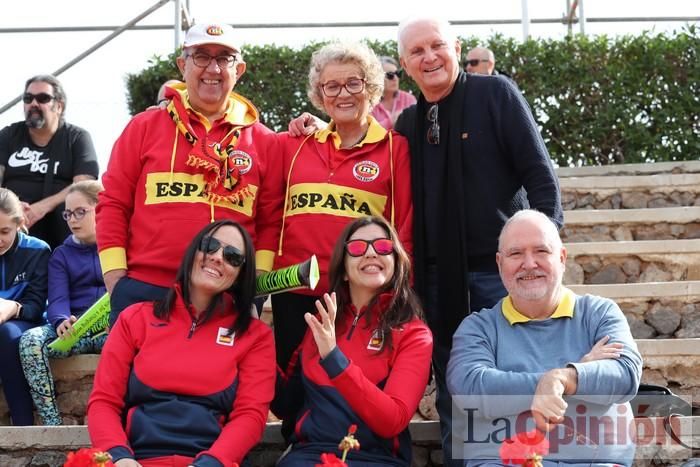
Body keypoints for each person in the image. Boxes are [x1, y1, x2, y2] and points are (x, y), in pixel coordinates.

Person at [288, 17, 563, 465]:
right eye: (417, 52)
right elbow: (353, 145)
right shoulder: (410, 122)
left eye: (437, 46)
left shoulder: (496, 94)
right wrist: (309, 125)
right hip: (439, 279)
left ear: (457, 47)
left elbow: (540, 175)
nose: (429, 57)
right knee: (455, 380)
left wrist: (546, 251)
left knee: (518, 376)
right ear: (404, 64)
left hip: (501, 274)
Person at [97, 23, 279, 326]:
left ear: (240, 70)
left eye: (225, 58)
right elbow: (113, 203)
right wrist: (116, 278)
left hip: (228, 294)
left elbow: (270, 221)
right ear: (183, 65)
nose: (213, 68)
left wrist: (255, 288)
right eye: (202, 56)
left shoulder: (265, 140)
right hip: (145, 289)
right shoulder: (143, 127)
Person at [268, 41, 413, 387]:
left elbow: (404, 225)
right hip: (295, 290)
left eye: (353, 83)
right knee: (293, 391)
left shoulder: (396, 149)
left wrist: (401, 291)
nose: (342, 94)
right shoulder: (293, 144)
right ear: (319, 94)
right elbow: (270, 212)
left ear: (371, 87)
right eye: (331, 86)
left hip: (361, 291)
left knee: (353, 386)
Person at [446, 210, 642, 465]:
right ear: (499, 263)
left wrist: (561, 378)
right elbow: (470, 390)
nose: (529, 263)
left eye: (541, 251)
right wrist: (567, 377)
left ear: (561, 258)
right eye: (516, 253)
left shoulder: (599, 313)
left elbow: (625, 374)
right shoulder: (478, 327)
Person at [87, 219, 276, 467]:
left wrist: (211, 463)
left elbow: (250, 415)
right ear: (192, 253)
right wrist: (119, 456)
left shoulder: (255, 335)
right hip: (137, 460)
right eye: (209, 246)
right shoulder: (135, 319)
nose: (218, 257)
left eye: (232, 256)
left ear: (240, 274)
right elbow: (103, 401)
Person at [273, 216, 432, 466]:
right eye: (357, 248)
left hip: (376, 459)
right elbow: (286, 405)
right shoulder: (322, 320)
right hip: (309, 456)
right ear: (344, 270)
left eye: (382, 247)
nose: (370, 253)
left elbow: (392, 421)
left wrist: (334, 358)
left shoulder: (414, 333)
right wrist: (255, 343)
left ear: (396, 263)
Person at [19, 180, 106, 425]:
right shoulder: (61, 254)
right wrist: (60, 320)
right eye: (68, 214)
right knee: (29, 341)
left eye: (81, 212)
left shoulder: (123, 247)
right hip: (75, 331)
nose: (73, 220)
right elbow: (57, 299)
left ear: (101, 209)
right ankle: (51, 423)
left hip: (113, 331)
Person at [0, 74, 99, 249]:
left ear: (59, 106)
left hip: (63, 229)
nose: (34, 104)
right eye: (28, 98)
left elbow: (85, 185)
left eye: (43, 98)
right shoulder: (8, 135)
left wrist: (41, 208)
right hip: (13, 226)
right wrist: (13, 206)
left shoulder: (77, 138)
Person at [0, 188, 50, 425]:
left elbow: (37, 306)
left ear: (19, 224)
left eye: (4, 232)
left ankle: (22, 424)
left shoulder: (38, 250)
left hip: (23, 320)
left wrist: (12, 308)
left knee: (7, 333)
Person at [370, 56, 417, 130]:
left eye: (398, 74)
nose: (395, 78)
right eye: (390, 75)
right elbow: (368, 133)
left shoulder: (409, 99)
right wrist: (392, 120)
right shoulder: (370, 103)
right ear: (377, 78)